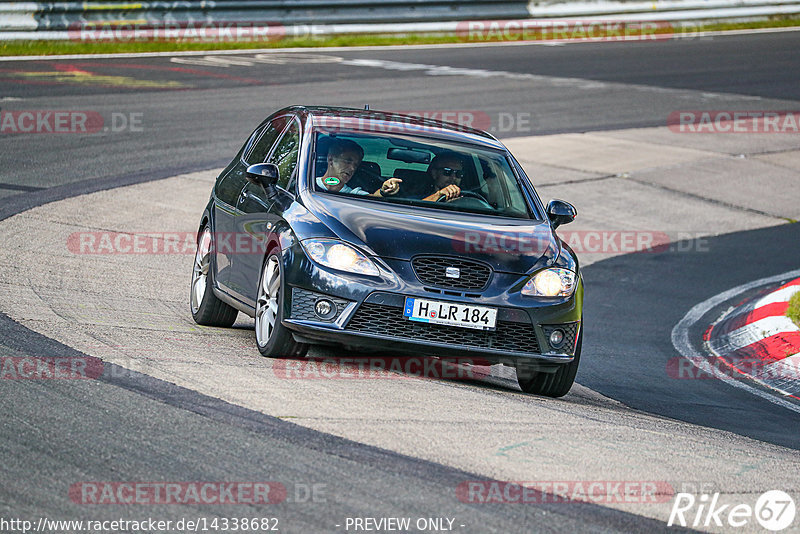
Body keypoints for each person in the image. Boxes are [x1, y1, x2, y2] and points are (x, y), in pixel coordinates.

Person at [317, 139, 402, 197]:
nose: (352, 168)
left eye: (356, 165)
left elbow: (373, 198)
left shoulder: (353, 194)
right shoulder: (309, 184)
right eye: (348, 161)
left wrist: (383, 191)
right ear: (330, 159)